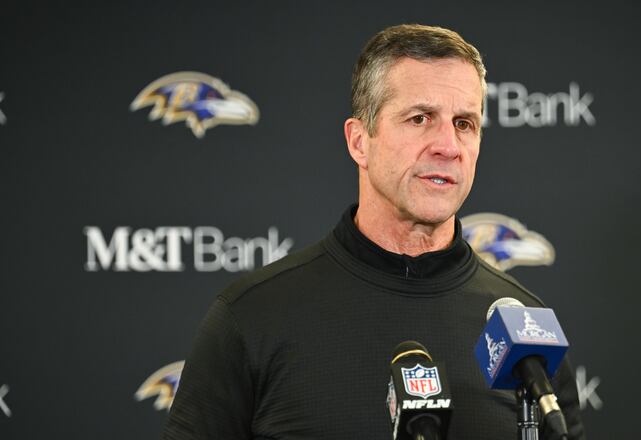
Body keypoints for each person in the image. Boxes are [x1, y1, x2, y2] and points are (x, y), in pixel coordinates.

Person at [163, 24, 585, 440]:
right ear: (359, 141)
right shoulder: (252, 317)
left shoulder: (526, 337)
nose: (448, 146)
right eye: (420, 118)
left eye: (464, 123)